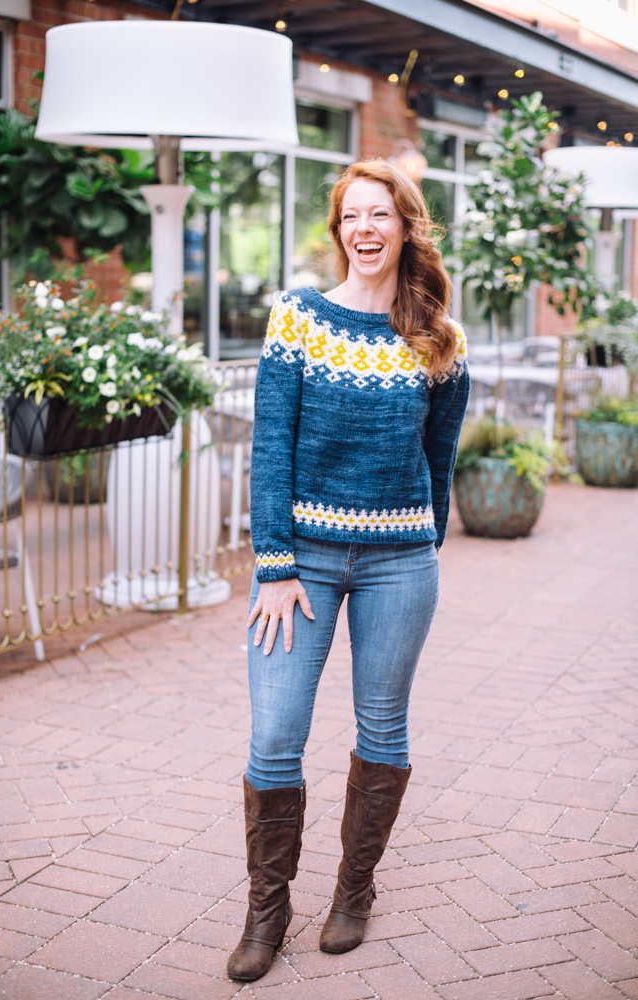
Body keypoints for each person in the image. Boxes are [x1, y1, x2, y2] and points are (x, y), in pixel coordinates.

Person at [227, 159, 470, 983]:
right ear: (338, 232)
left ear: (405, 227)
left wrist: (420, 548)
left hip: (399, 566)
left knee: (382, 730)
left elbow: (437, 467)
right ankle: (267, 911)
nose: (363, 230)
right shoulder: (297, 318)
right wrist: (274, 566)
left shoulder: (439, 338)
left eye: (379, 215)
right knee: (274, 735)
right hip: (302, 567)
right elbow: (271, 450)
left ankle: (353, 892)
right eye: (349, 218)